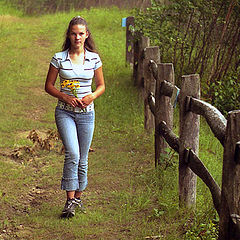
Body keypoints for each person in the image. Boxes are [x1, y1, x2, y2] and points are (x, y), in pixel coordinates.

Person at [45, 16, 105, 218]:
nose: (77, 37)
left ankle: (78, 197)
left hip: (87, 114)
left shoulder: (94, 58)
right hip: (65, 112)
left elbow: (101, 86)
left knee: (83, 157)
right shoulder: (59, 58)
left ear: (86, 35)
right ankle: (69, 201)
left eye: (81, 33)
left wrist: (92, 96)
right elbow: (49, 86)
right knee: (73, 153)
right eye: (73, 33)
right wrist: (64, 96)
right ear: (69, 35)